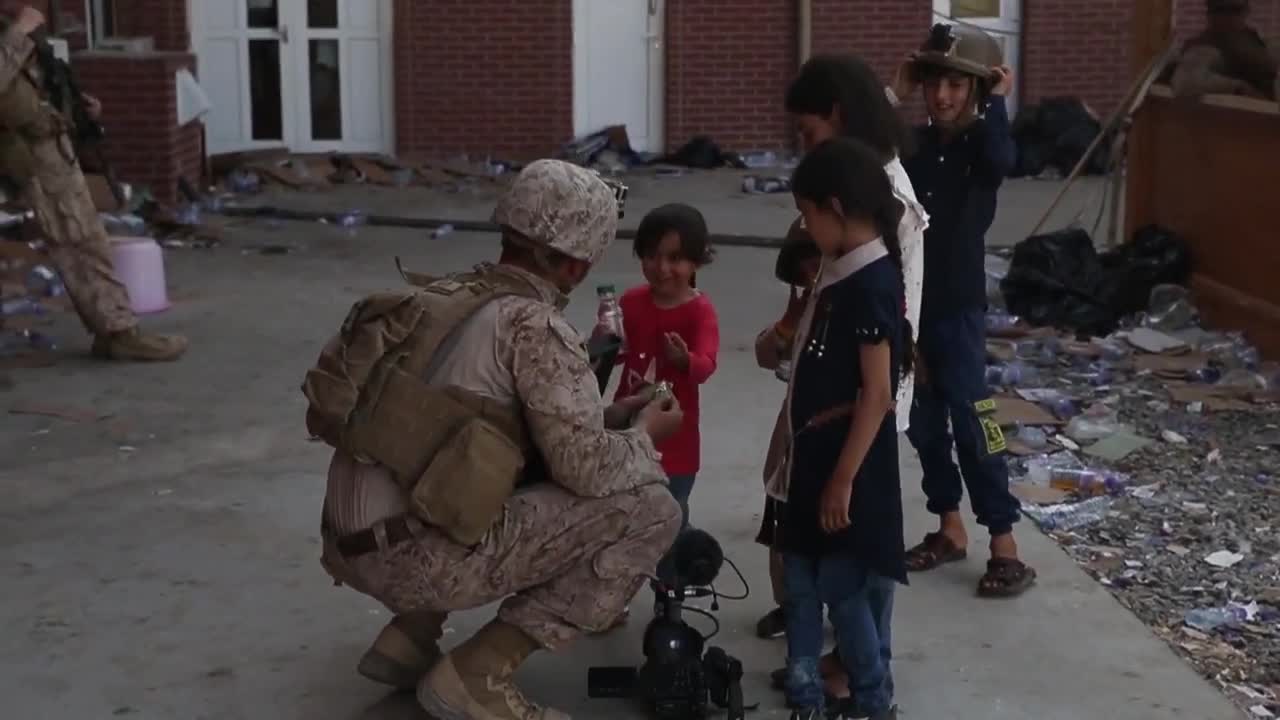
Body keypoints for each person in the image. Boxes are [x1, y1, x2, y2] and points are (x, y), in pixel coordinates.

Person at [316, 159, 685, 720]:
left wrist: (608, 417)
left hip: (352, 539)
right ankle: (477, 674)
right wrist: (644, 435)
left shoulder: (448, 294)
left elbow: (490, 431)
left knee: (502, 463)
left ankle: (407, 640)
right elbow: (585, 471)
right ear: (577, 264)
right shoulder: (534, 327)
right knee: (652, 509)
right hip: (411, 555)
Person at [755, 53, 929, 695]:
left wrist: (864, 422)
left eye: (807, 132)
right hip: (826, 393)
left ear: (836, 117)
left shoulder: (880, 211)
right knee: (819, 549)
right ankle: (836, 661)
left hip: (863, 401)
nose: (804, 145)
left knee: (862, 559)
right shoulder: (845, 193)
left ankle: (863, 672)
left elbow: (885, 345)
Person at [888, 23, 1036, 597]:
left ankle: (1004, 540)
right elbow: (867, 155)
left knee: (980, 423)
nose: (943, 96)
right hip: (914, 312)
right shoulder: (917, 147)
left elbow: (1003, 159)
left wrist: (998, 103)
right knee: (924, 425)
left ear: (976, 89)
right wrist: (892, 95)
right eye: (934, 84)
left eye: (956, 84)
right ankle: (948, 527)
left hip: (960, 313)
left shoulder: (982, 146)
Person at [778, 137, 910, 720]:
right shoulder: (838, 272)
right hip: (814, 454)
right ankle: (807, 692)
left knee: (845, 588)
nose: (806, 229)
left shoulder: (873, 281)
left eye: (807, 215)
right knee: (804, 579)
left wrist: (842, 480)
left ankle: (873, 700)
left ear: (834, 206)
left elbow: (877, 392)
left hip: (848, 464)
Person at [0, 4, 187, 362]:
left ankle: (115, 329)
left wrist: (75, 109)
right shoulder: (14, 32)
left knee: (88, 240)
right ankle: (118, 333)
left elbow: (37, 88)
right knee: (79, 242)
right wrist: (19, 33)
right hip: (30, 157)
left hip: (52, 149)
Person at [612, 202, 720, 584]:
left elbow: (706, 366)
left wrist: (685, 359)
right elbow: (616, 353)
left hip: (677, 441)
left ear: (696, 262)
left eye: (675, 258)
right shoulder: (629, 302)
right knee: (620, 514)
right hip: (627, 428)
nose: (662, 268)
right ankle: (614, 592)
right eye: (652, 256)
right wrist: (603, 342)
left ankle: (670, 590)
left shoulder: (699, 312)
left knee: (670, 515)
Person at [1170, 0, 1278, 101]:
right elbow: (1185, 83)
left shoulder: (1247, 38)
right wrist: (1240, 87)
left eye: (1235, 10)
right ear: (1209, 15)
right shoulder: (1205, 47)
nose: (1228, 17)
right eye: (1221, 10)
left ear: (1246, 11)